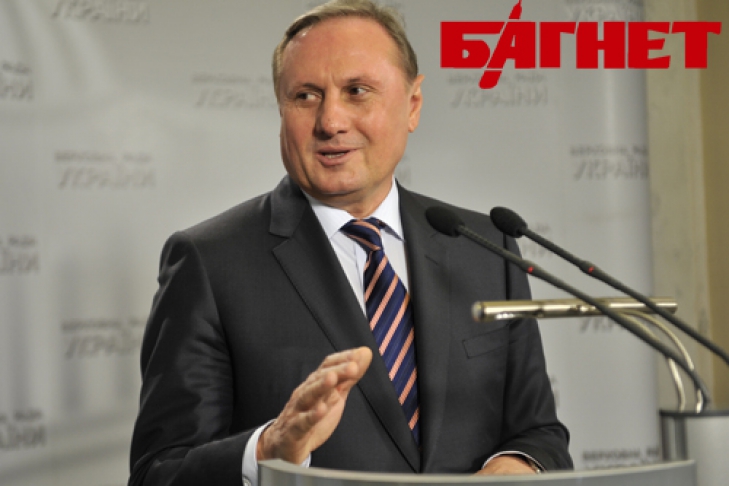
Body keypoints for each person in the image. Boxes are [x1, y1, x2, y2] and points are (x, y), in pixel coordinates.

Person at [128, 1, 572, 485]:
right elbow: (157, 474)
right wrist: (269, 450)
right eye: (305, 96)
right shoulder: (210, 263)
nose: (330, 121)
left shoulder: (486, 248)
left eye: (357, 91)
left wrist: (513, 466)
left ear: (413, 105)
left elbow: (539, 433)